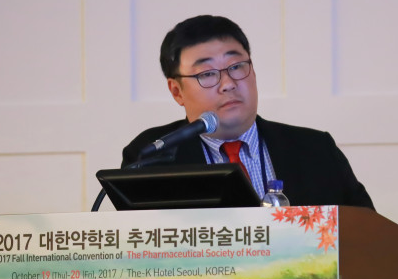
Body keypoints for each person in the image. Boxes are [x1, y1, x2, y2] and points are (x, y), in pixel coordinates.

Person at [121, 15, 374, 209]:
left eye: (237, 66)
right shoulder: (150, 157)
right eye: (207, 74)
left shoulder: (316, 150)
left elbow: (368, 236)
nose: (228, 83)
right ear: (177, 91)